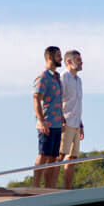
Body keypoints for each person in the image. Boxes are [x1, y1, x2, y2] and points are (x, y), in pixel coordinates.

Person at [33, 46, 64, 187]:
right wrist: (41, 120)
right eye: (58, 56)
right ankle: (35, 186)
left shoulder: (57, 77)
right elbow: (36, 99)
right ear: (50, 57)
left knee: (53, 157)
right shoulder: (43, 77)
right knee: (43, 154)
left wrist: (62, 118)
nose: (61, 58)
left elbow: (58, 100)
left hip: (57, 124)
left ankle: (49, 186)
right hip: (46, 123)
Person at [59, 49, 84, 189]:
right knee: (60, 155)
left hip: (76, 123)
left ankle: (67, 188)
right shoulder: (63, 77)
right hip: (66, 122)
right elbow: (58, 99)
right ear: (69, 62)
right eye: (78, 60)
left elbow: (77, 103)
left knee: (73, 157)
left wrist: (81, 124)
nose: (81, 62)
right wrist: (61, 119)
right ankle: (51, 187)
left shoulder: (79, 81)